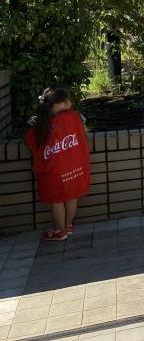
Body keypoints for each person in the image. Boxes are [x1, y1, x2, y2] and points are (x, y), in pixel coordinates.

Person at [23, 86, 90, 241]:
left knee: (57, 201)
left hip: (52, 170)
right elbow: (85, 132)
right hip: (73, 166)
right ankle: (68, 226)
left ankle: (59, 231)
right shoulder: (76, 117)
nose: (70, 103)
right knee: (72, 197)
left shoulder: (39, 122)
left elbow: (30, 140)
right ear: (59, 104)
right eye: (67, 101)